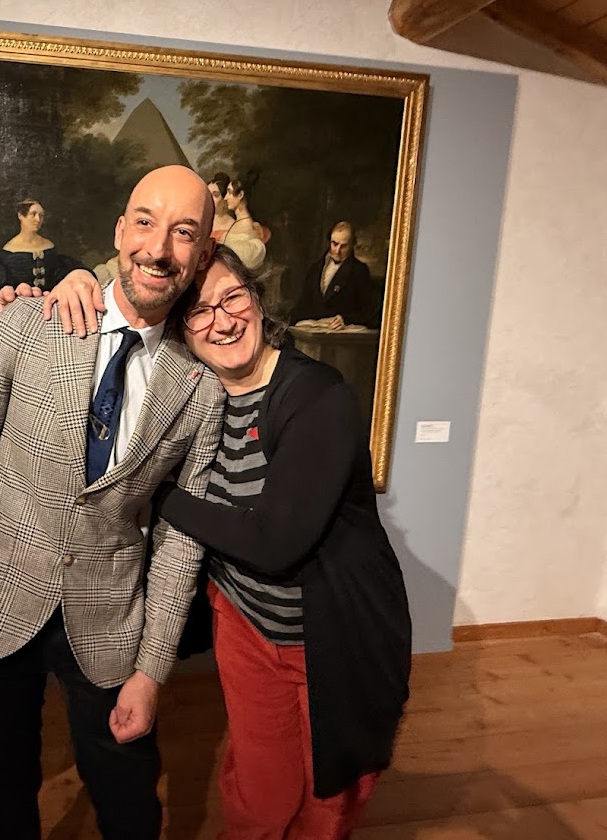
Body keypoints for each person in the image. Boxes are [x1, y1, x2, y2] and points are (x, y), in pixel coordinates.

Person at [0, 165, 226, 840]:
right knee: (4, 778)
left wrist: (152, 669)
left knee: (127, 792)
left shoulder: (202, 388)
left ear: (203, 254)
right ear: (119, 231)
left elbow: (180, 542)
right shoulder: (27, 322)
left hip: (109, 615)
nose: (158, 248)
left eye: (183, 233)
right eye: (144, 222)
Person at [155, 245, 411, 839]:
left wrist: (163, 497)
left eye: (232, 297)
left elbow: (276, 542)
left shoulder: (316, 395)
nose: (222, 320)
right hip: (245, 624)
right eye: (199, 310)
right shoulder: (197, 397)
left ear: (257, 298)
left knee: (327, 800)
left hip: (333, 637)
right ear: (182, 330)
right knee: (260, 793)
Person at [0, 197, 85, 310]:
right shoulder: (9, 251)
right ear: (21, 216)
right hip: (20, 308)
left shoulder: (49, 245)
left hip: (52, 304)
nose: (38, 219)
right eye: (33, 214)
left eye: (41, 215)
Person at [290, 221, 382, 329]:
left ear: (351, 245)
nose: (337, 250)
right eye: (334, 244)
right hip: (313, 331)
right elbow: (303, 304)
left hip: (341, 334)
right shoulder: (315, 269)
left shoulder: (359, 271)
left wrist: (345, 319)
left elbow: (368, 311)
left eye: (343, 246)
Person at [222, 172, 268, 271]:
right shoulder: (237, 223)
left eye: (229, 193)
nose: (225, 198)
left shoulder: (247, 225)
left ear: (240, 195)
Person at [207, 172, 235, 241]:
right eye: (208, 194)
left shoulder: (232, 225)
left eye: (215, 195)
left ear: (225, 198)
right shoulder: (199, 217)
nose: (210, 198)